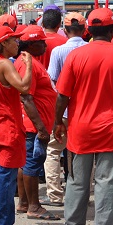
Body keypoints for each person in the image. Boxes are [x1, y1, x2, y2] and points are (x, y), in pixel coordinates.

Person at [54, 8, 113, 225]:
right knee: (107, 184)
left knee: (77, 183)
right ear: (112, 32)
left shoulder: (75, 56)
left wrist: (57, 123)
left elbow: (62, 95)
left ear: (89, 30)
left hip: (81, 131)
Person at [0, 26, 33, 225]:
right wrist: (28, 65)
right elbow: (25, 87)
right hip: (7, 130)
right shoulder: (4, 65)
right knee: (5, 183)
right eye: (14, 40)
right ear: (3, 43)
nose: (17, 43)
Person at [14, 25, 60, 221]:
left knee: (26, 164)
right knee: (32, 164)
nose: (45, 46)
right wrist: (41, 128)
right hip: (33, 125)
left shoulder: (30, 61)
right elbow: (26, 98)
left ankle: (24, 203)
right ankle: (34, 206)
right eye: (42, 43)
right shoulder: (27, 64)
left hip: (34, 123)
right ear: (33, 44)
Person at [43, 12, 87, 207]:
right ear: (85, 30)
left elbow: (52, 81)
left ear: (66, 29)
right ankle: (80, 196)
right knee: (83, 154)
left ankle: (55, 196)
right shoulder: (90, 50)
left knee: (53, 151)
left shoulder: (58, 52)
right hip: (85, 111)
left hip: (63, 111)